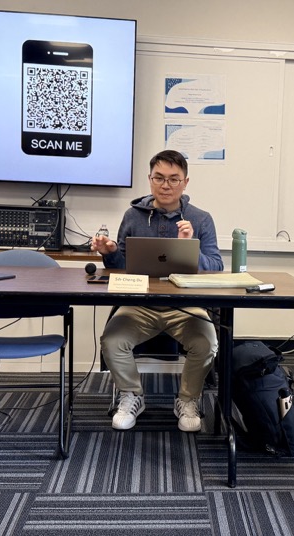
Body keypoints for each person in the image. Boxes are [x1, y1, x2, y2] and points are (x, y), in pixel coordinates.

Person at [91, 149, 223, 432]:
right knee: (112, 341)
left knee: (206, 343)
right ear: (149, 179)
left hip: (186, 307)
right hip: (139, 306)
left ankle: (187, 399)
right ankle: (132, 395)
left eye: (174, 179)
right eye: (159, 178)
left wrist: (190, 248)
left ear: (185, 182)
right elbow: (121, 267)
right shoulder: (132, 216)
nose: (166, 185)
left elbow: (216, 266)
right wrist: (110, 252)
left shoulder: (201, 219)